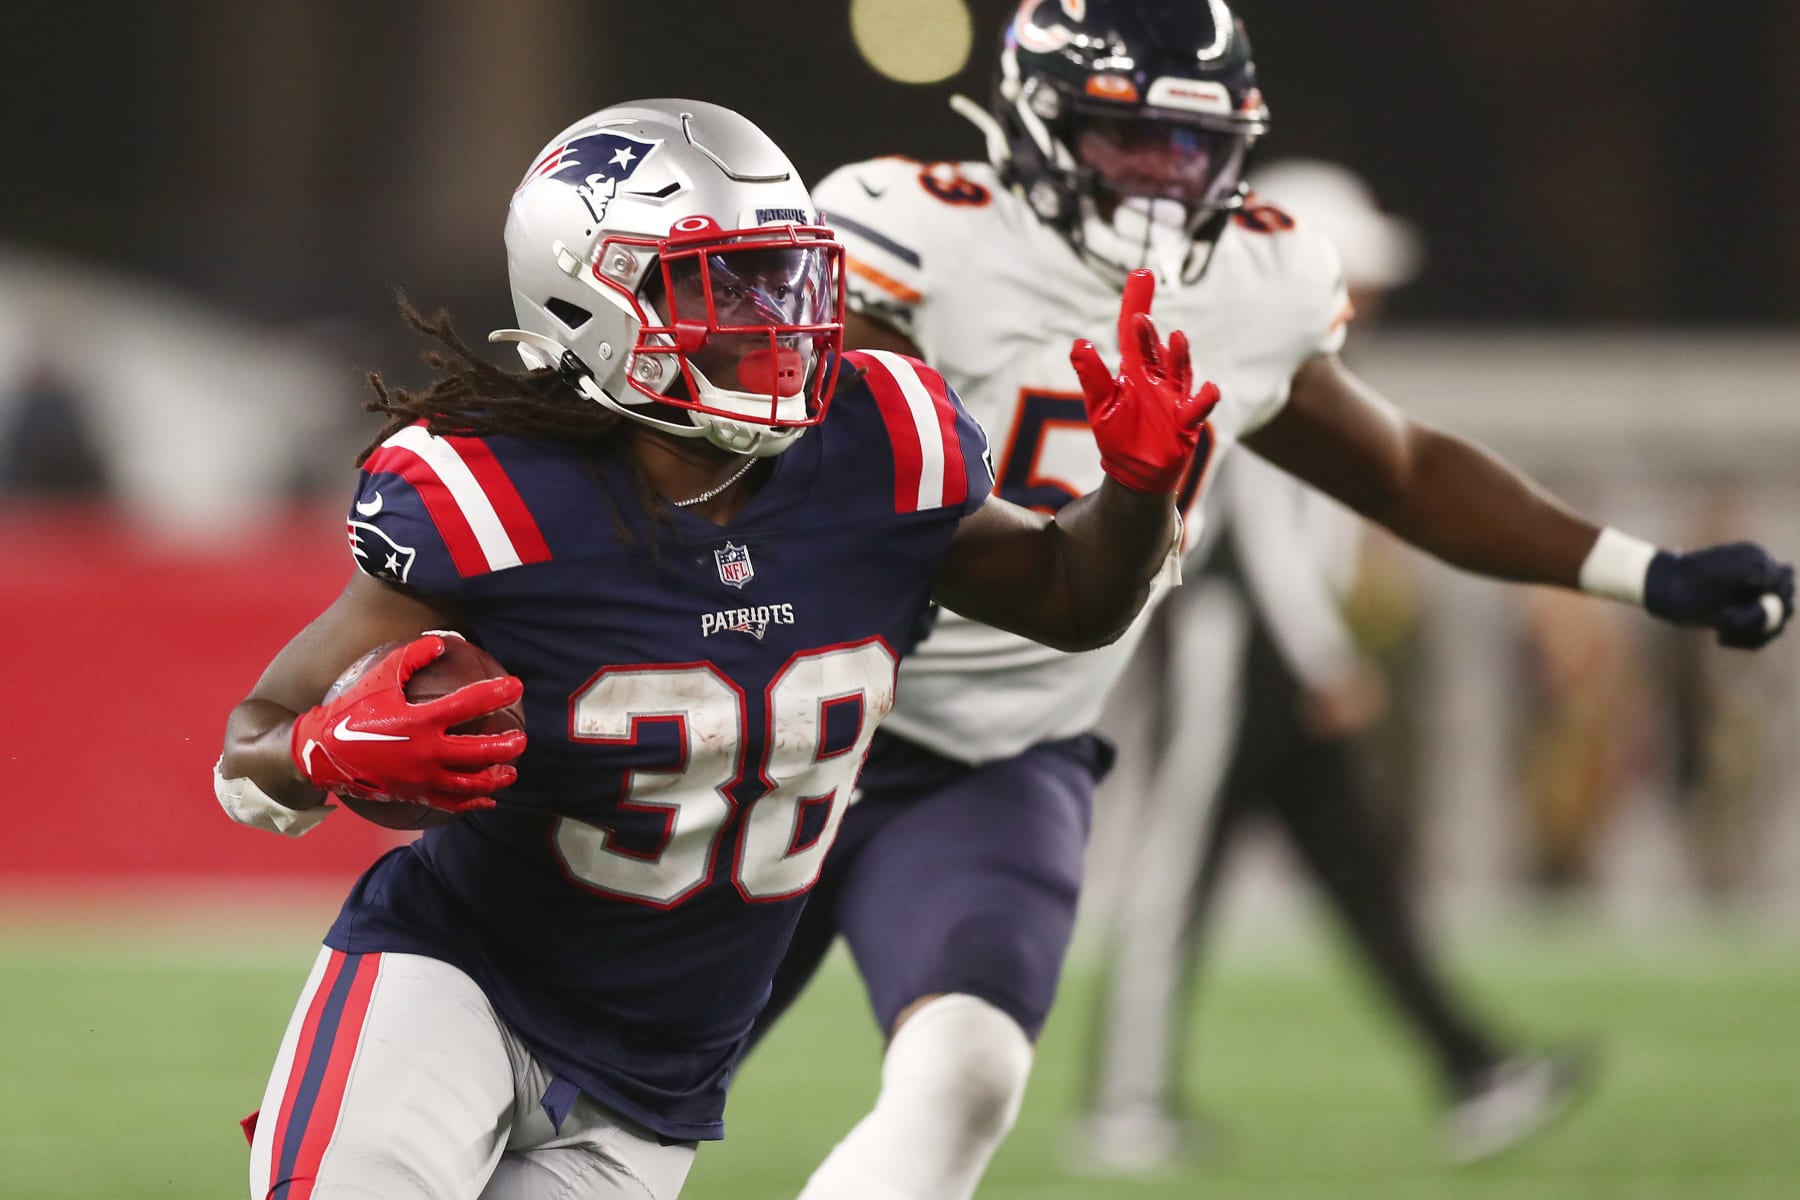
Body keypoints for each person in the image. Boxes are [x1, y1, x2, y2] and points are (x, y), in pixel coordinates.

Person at [750, 4, 1795, 1199]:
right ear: (1038, 124)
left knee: (970, 1073)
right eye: (1125, 141)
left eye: (1189, 149)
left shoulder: (1249, 282)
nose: (1160, 179)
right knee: (618, 1079)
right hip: (799, 718)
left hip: (999, 759)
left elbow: (1401, 470)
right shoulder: (916, 234)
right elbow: (786, 465)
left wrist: (1644, 571)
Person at [212, 97, 1216, 1200]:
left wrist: (1133, 495)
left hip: (659, 1073)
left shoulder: (882, 448)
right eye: (721, 283)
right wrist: (322, 752)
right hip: (457, 983)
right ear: (585, 292)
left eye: (784, 276)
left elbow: (1074, 597)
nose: (774, 317)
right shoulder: (490, 497)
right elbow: (253, 740)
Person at [1081, 159, 1588, 1171]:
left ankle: (1474, 1070)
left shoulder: (1299, 359)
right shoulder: (1257, 357)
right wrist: (1323, 658)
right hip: (1236, 647)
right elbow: (1263, 532)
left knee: (1362, 871)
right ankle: (1124, 1106)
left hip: (1268, 652)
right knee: (1180, 873)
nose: (1369, 294)